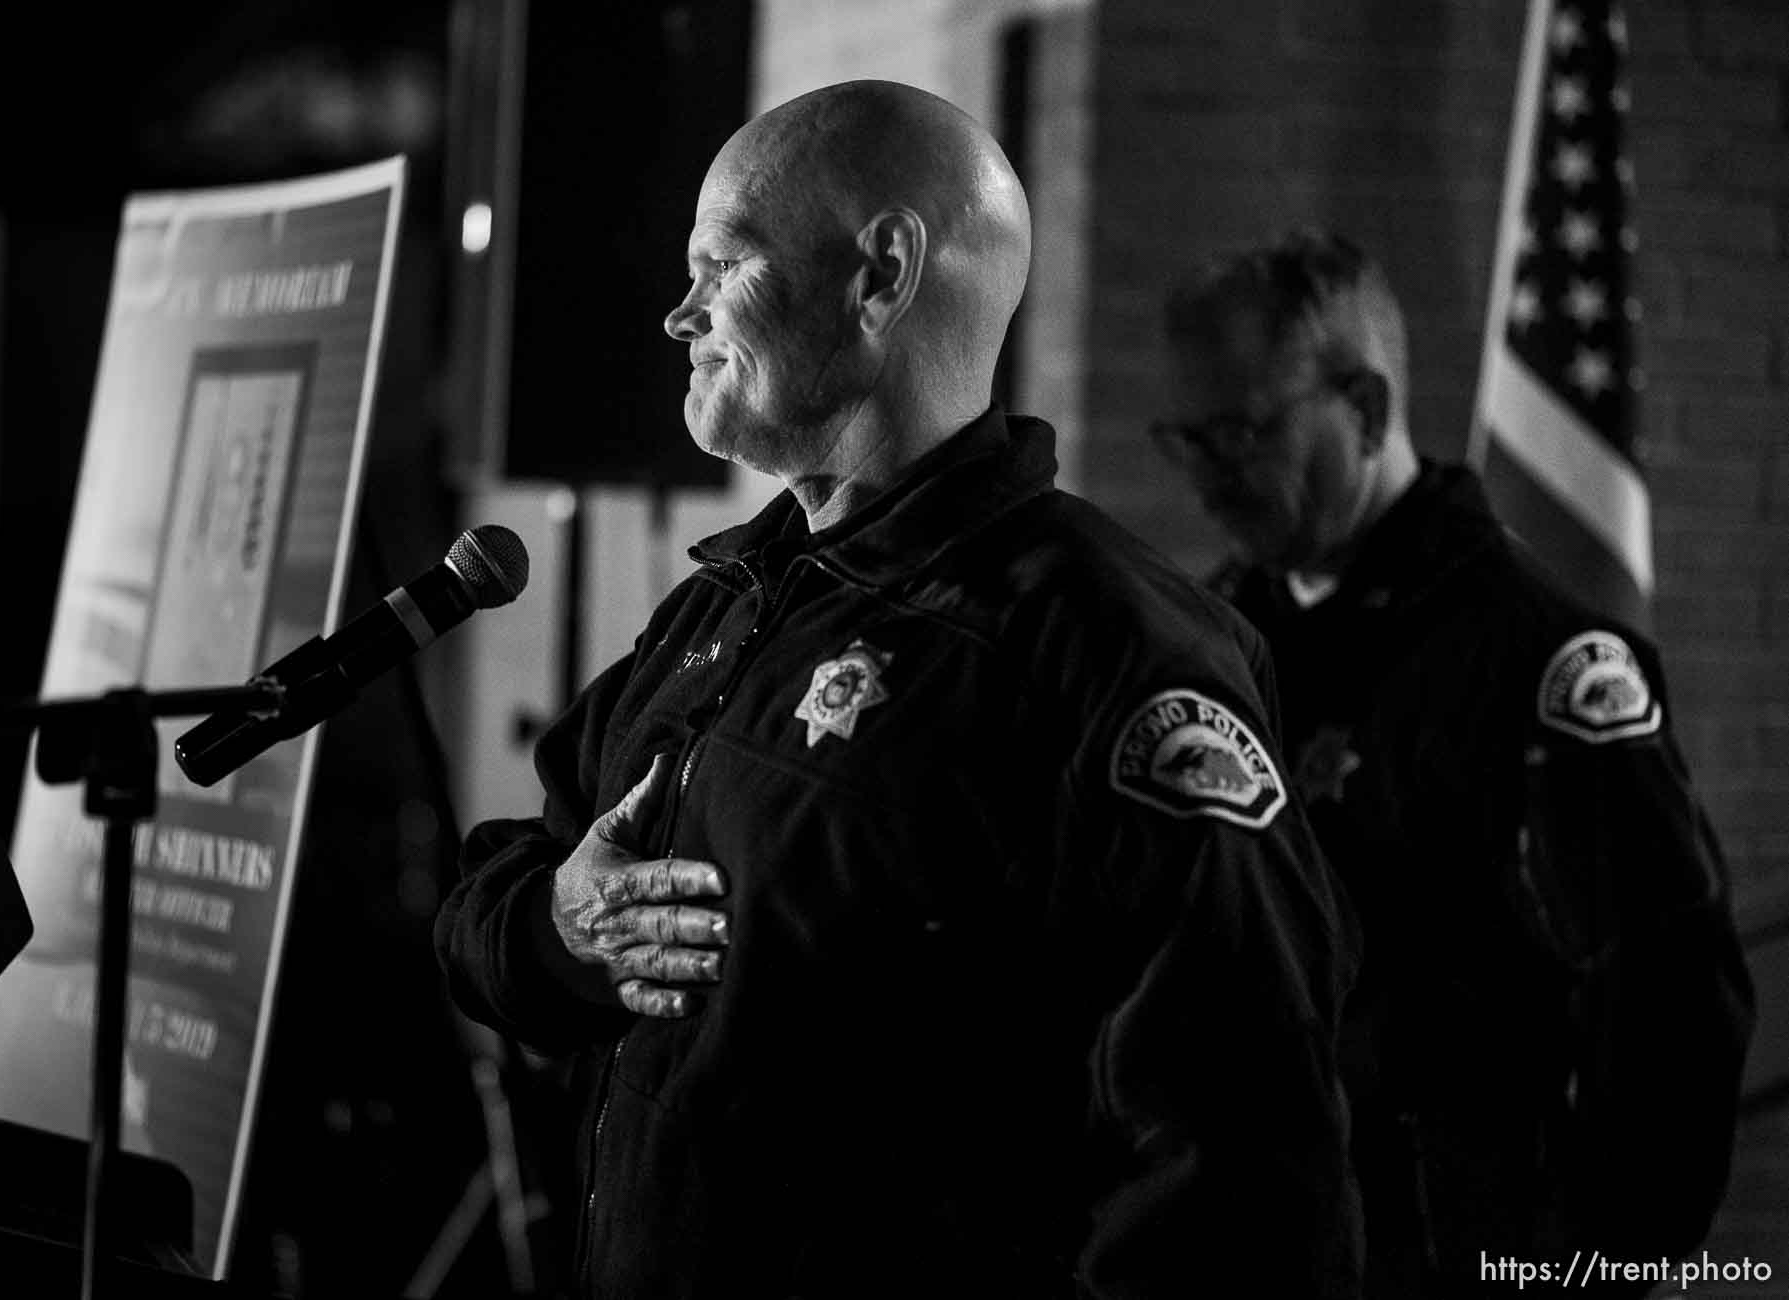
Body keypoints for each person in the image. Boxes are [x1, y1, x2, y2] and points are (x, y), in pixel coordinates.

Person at [437, 82, 1363, 1297]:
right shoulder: (727, 605)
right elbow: (496, 890)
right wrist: (559, 926)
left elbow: (1245, 1174)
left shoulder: (1112, 656)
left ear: (880, 274)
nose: (680, 316)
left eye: (722, 266)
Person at [1152, 228, 1755, 1298]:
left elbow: (1672, 1009)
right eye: (1183, 440)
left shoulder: (1531, 654)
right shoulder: (1223, 633)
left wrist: (1592, 1271)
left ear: (1369, 409)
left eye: (1238, 434)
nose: (1207, 480)